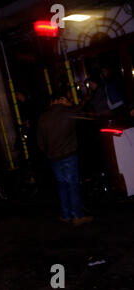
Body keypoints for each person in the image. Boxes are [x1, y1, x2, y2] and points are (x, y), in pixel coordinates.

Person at [37, 88, 93, 226]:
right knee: (72, 185)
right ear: (61, 100)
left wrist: (49, 153)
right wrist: (71, 104)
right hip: (69, 155)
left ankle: (66, 214)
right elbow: (81, 109)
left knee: (61, 186)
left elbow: (40, 141)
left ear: (52, 102)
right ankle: (77, 216)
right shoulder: (68, 112)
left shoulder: (43, 117)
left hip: (53, 158)